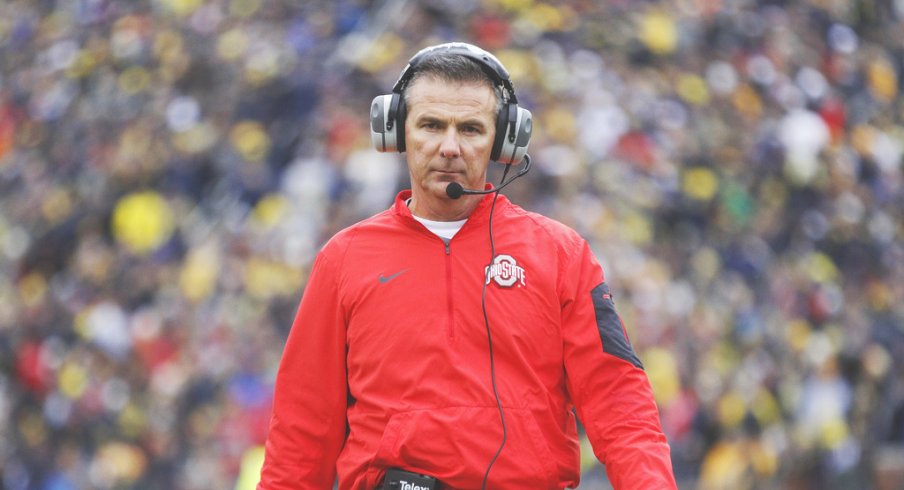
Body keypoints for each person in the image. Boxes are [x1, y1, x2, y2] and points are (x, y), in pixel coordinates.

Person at [258, 42, 676, 489]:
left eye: (472, 129)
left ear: (502, 142)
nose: (450, 147)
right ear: (396, 133)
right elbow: (301, 433)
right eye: (431, 125)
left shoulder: (561, 254)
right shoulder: (343, 258)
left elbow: (621, 405)